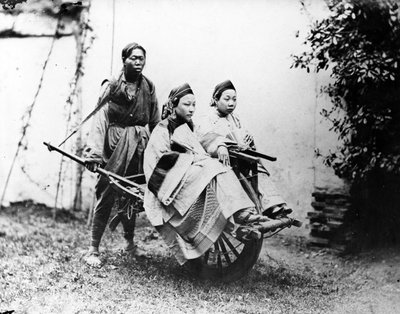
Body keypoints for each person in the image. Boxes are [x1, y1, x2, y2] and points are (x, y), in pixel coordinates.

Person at [143, 83, 268, 265]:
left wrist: (221, 145)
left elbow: (207, 138)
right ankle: (236, 212)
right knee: (211, 167)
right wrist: (188, 161)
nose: (192, 109)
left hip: (191, 174)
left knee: (221, 167)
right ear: (173, 104)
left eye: (194, 104)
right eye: (187, 104)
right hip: (168, 182)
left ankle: (240, 210)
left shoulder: (191, 126)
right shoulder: (162, 129)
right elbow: (155, 164)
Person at [83, 42, 160, 267]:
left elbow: (155, 121)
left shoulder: (148, 86)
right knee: (107, 191)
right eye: (133, 58)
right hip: (114, 145)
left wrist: (161, 148)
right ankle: (93, 248)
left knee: (132, 194)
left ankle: (129, 245)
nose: (138, 62)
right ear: (124, 60)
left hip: (139, 146)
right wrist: (95, 154)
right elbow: (100, 118)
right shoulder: (113, 85)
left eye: (141, 58)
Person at [196, 80, 292, 218]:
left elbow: (241, 138)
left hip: (239, 157)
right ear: (216, 99)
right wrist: (220, 145)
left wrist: (248, 140)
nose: (231, 103)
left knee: (257, 168)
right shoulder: (207, 118)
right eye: (226, 99)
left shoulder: (235, 118)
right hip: (221, 160)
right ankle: (250, 209)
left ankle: (273, 204)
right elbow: (205, 139)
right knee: (236, 171)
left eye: (234, 99)